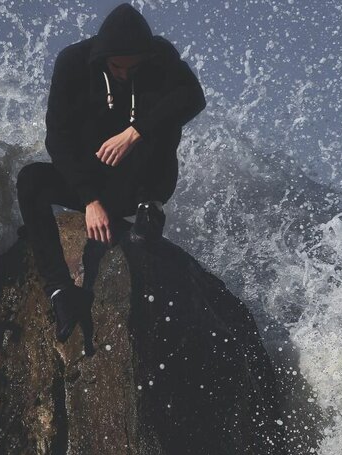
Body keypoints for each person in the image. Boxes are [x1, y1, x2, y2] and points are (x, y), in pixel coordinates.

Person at [15, 2, 206, 343]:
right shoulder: (73, 63)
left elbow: (194, 98)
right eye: (117, 66)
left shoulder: (160, 56)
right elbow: (56, 138)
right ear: (103, 56)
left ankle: (151, 207)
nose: (124, 74)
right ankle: (61, 291)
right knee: (31, 180)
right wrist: (89, 199)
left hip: (142, 183)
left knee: (167, 110)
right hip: (93, 185)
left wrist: (136, 132)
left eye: (133, 68)